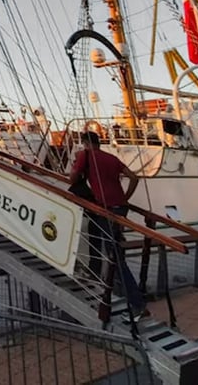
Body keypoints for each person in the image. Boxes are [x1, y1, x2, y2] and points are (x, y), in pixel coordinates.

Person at [68, 131, 147, 319]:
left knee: (115, 258)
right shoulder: (111, 158)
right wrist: (125, 198)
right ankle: (103, 279)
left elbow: (72, 179)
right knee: (112, 249)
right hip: (120, 208)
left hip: (106, 209)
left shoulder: (84, 156)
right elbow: (134, 178)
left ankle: (137, 304)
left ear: (86, 143)